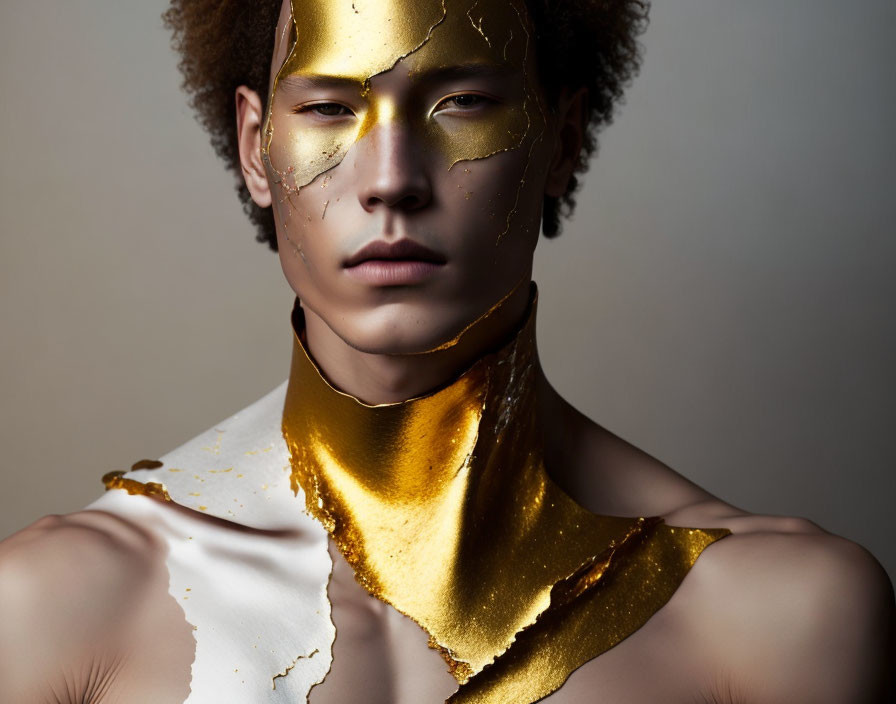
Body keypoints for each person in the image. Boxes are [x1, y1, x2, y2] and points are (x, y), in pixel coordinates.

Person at [1, 0, 893, 702]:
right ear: (255, 147)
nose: (391, 179)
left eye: (462, 102)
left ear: (563, 137)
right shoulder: (53, 611)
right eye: (327, 106)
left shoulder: (780, 619)